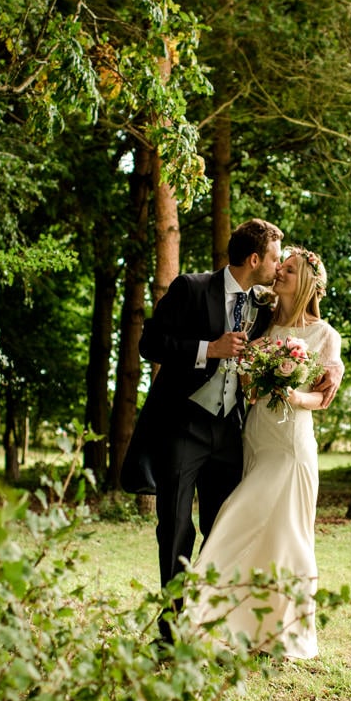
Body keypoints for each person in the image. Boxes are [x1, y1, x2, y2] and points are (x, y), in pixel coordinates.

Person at [124, 219, 286, 637]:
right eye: (274, 257)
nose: (277, 265)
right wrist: (208, 349)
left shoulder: (264, 307)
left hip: (231, 432)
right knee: (176, 527)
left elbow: (303, 326)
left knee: (224, 530)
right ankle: (171, 628)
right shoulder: (191, 288)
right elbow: (151, 345)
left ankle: (206, 622)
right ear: (255, 259)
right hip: (184, 426)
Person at [183, 247, 342, 660]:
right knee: (265, 534)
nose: (279, 274)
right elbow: (247, 383)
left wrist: (293, 394)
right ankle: (250, 629)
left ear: (307, 281)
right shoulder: (261, 326)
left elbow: (322, 399)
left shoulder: (325, 335)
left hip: (291, 445)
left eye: (288, 270)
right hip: (255, 435)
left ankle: (282, 632)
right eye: (280, 267)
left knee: (280, 531)